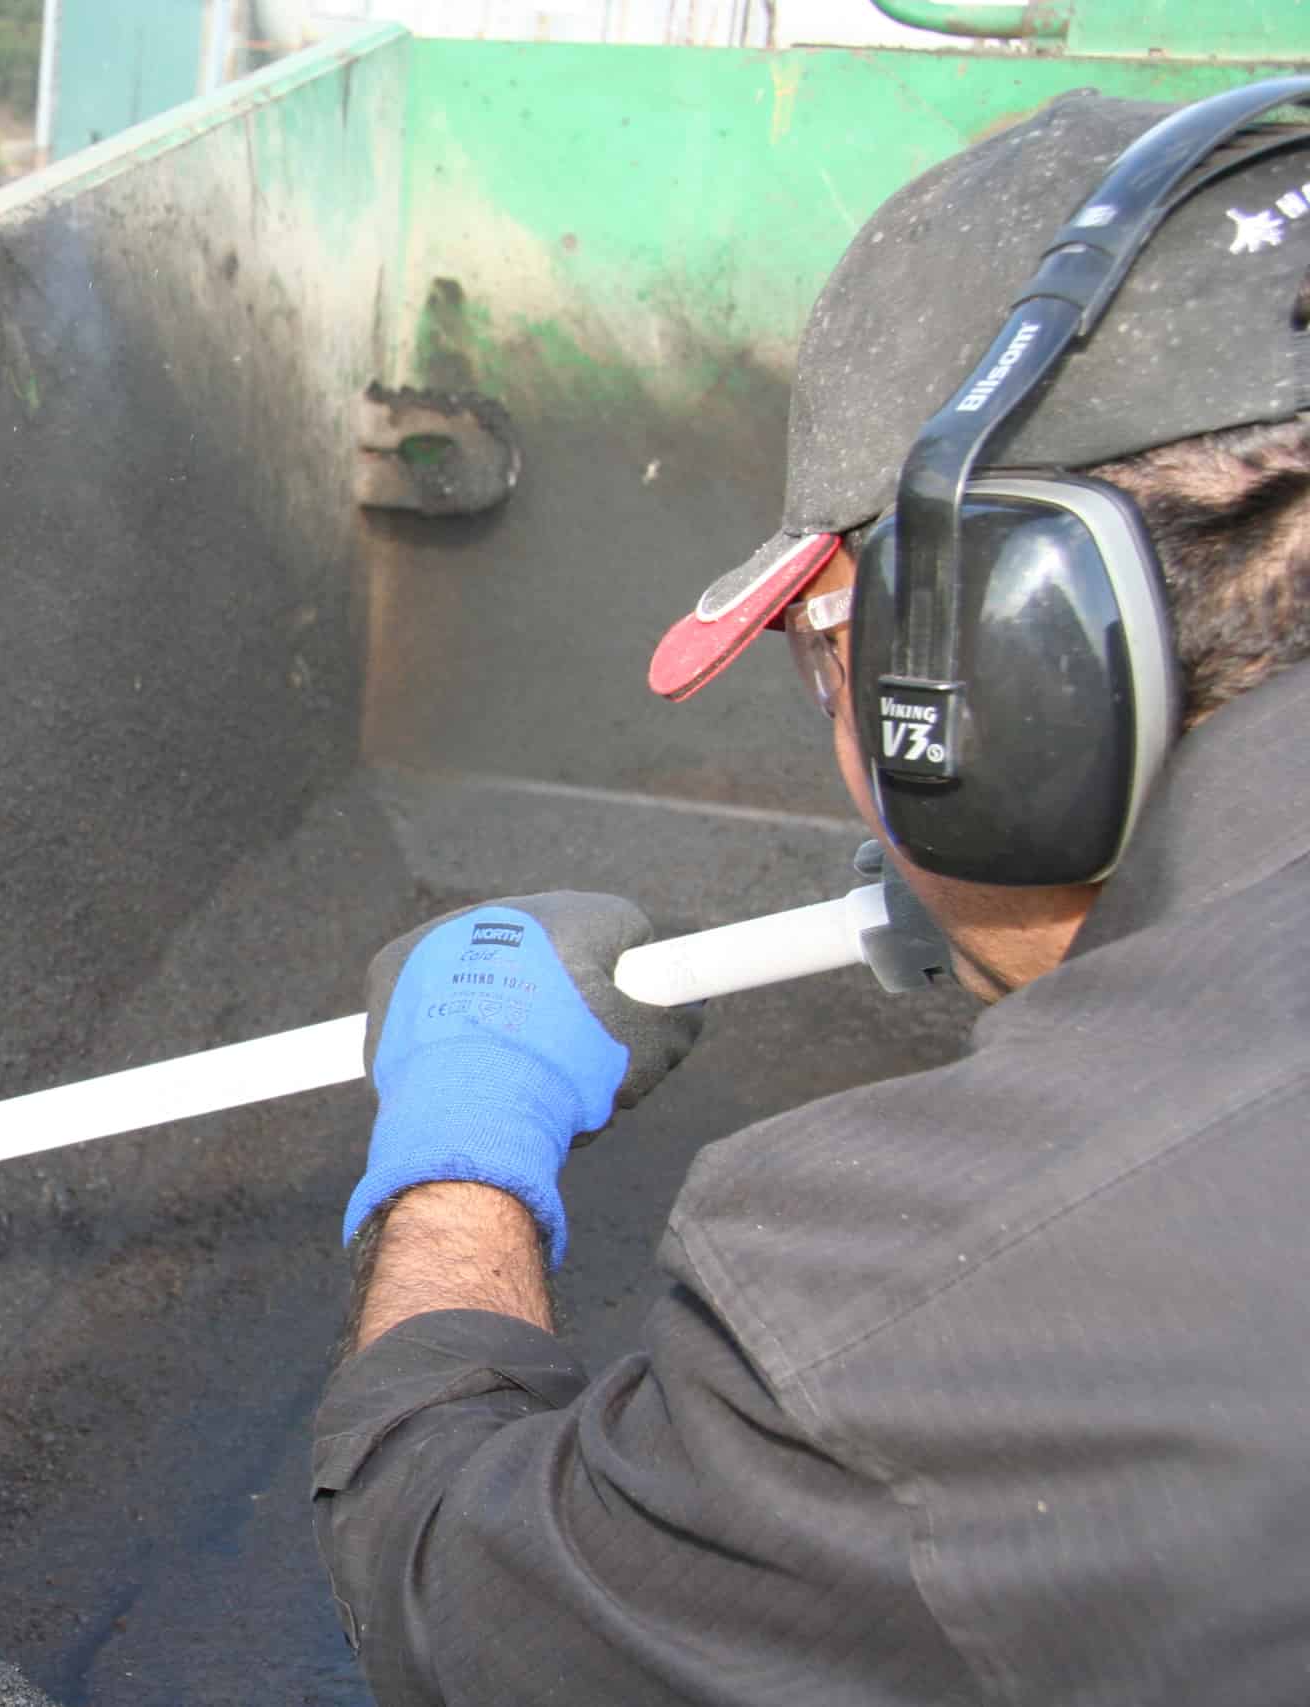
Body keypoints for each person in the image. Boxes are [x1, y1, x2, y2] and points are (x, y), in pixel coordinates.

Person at [310, 84, 1310, 1707]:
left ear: (986, 675)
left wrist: (461, 1138)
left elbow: (454, 1589)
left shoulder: (942, 1314)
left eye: (825, 656)